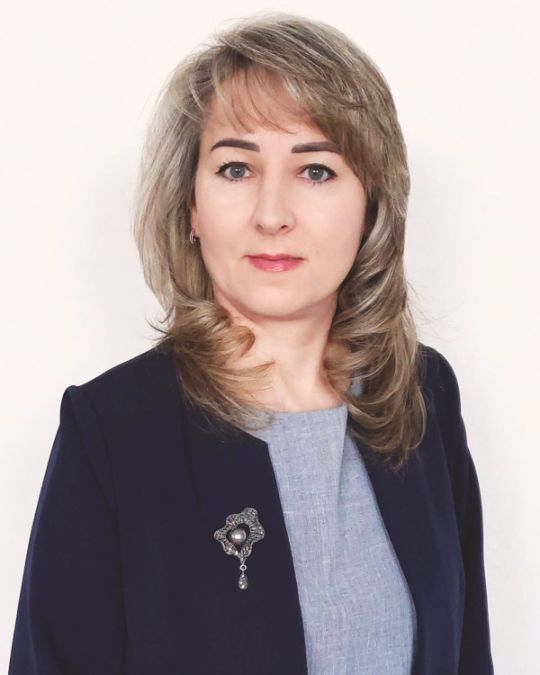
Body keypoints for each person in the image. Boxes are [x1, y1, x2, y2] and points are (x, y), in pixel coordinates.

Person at [8, 11, 494, 674]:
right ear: (190, 205)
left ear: (371, 203)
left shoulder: (421, 395)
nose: (272, 214)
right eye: (236, 168)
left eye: (316, 171)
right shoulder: (113, 431)